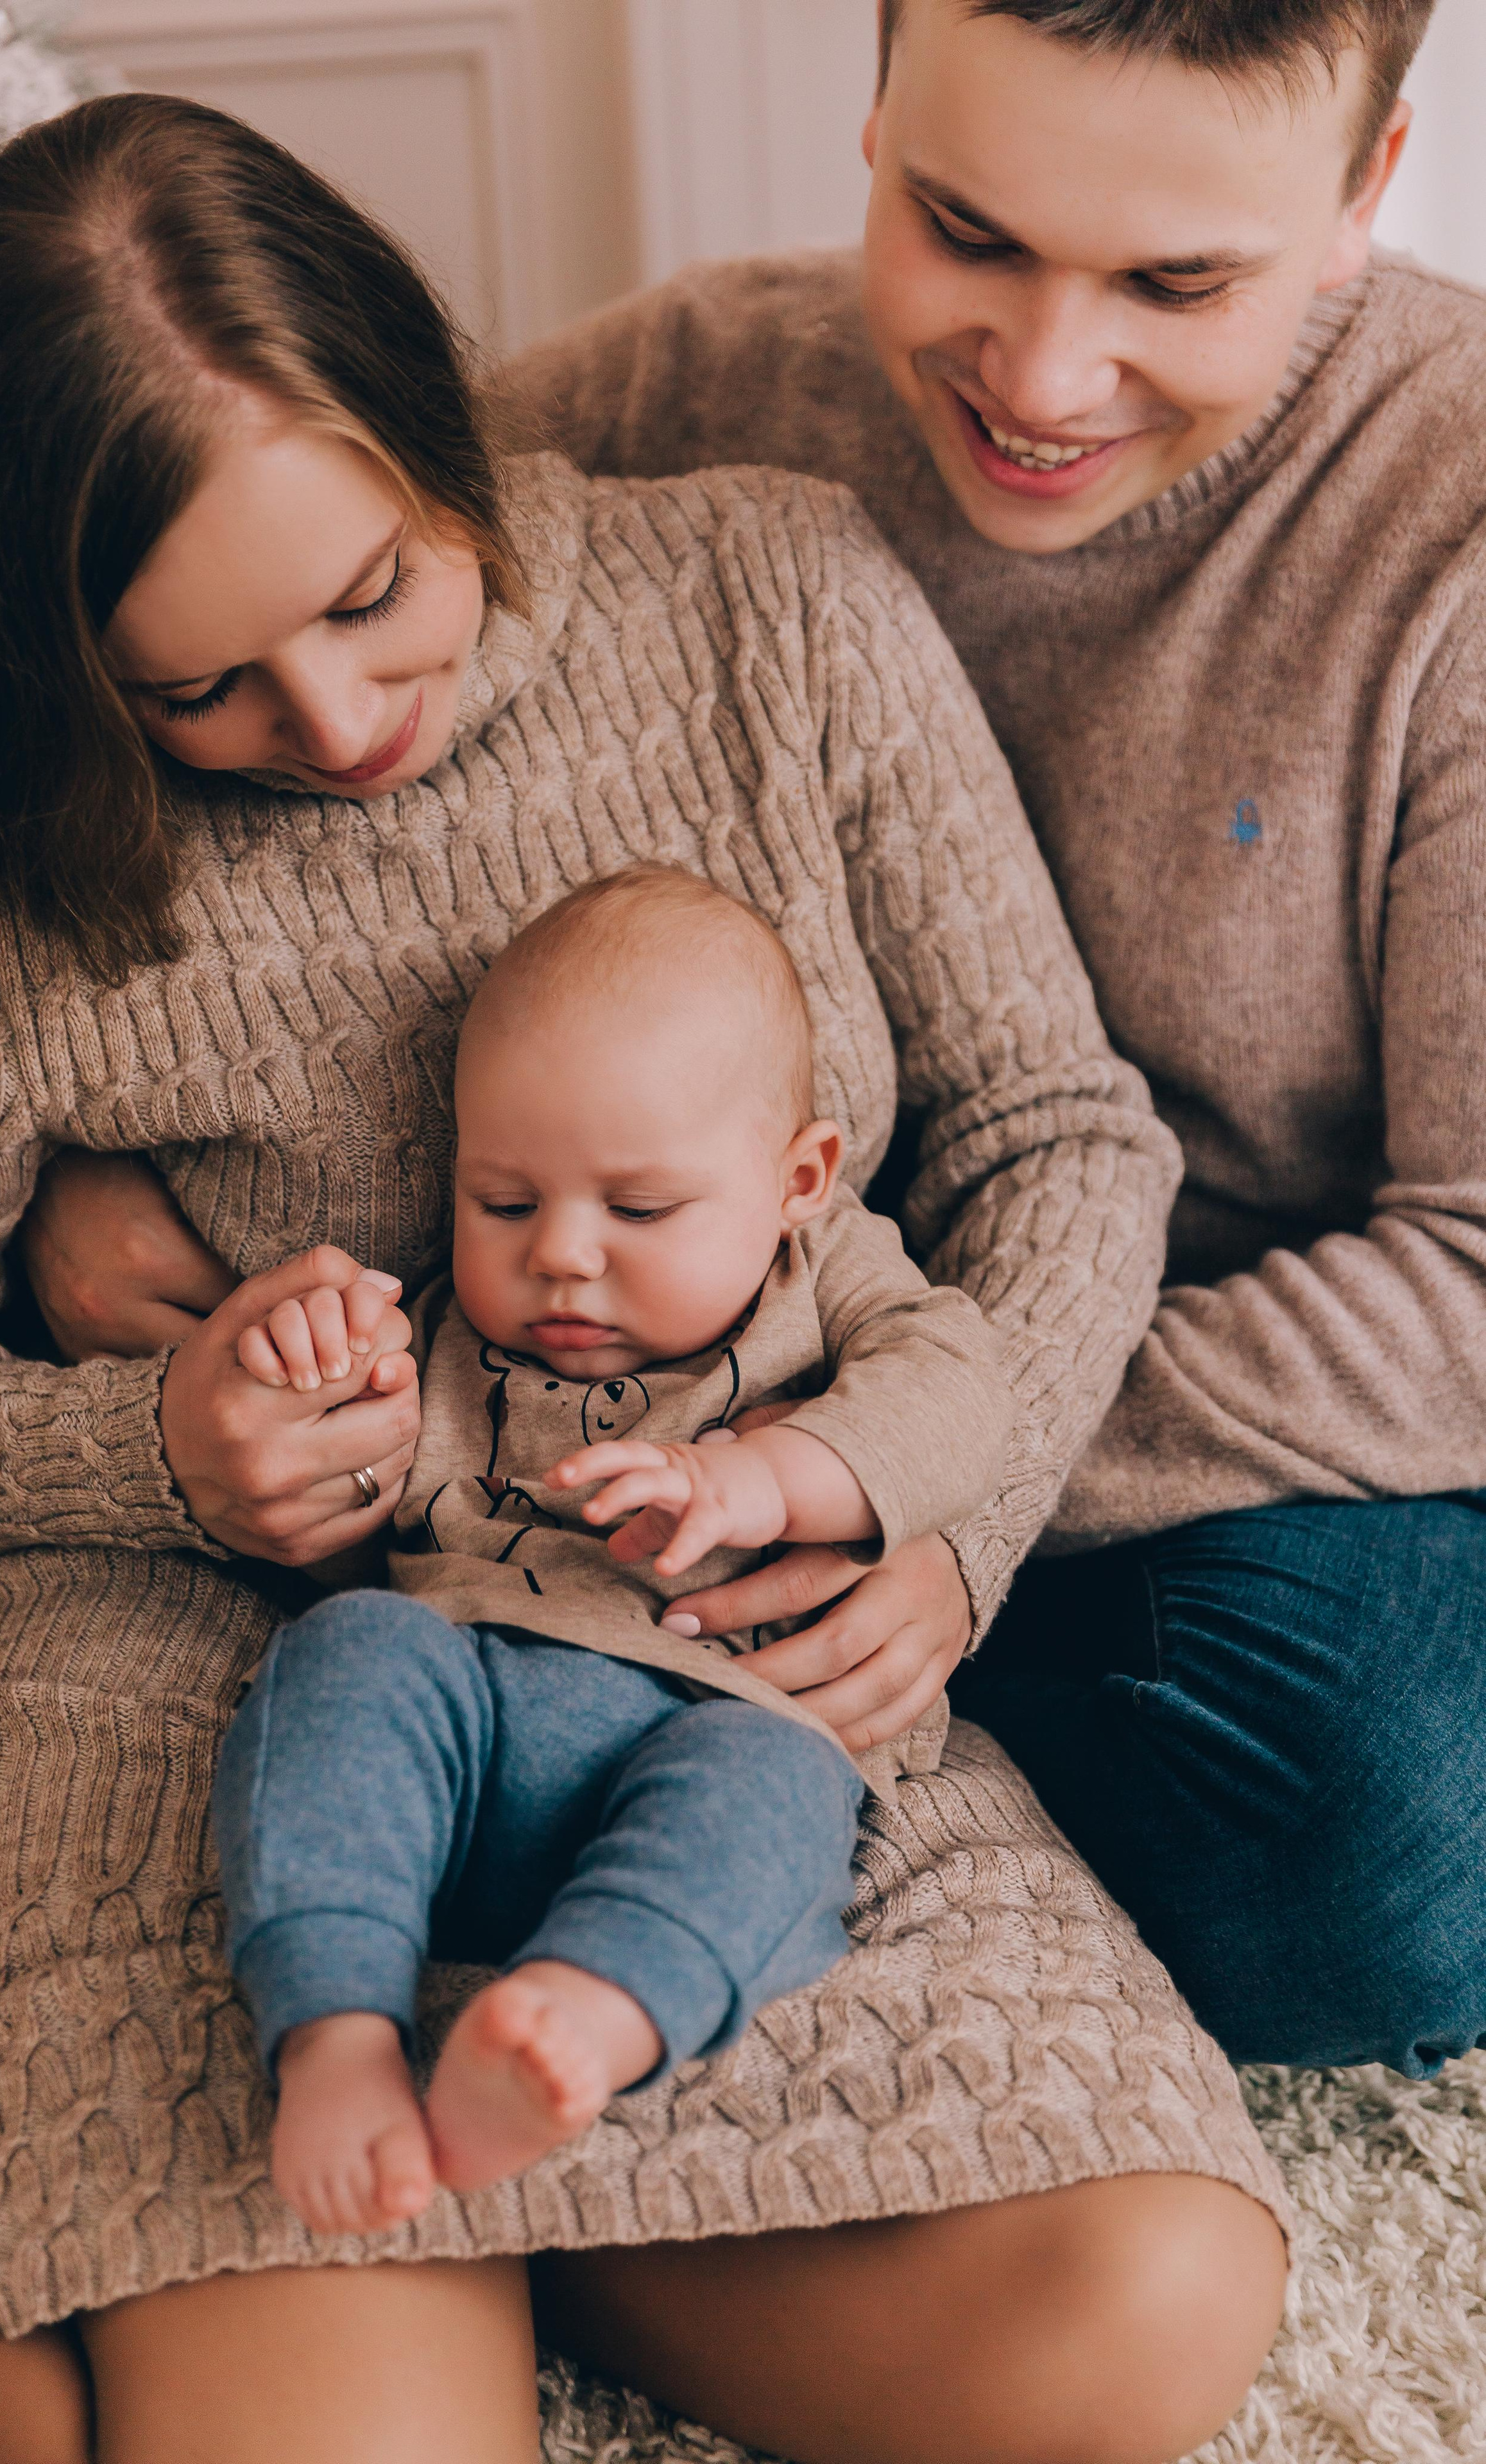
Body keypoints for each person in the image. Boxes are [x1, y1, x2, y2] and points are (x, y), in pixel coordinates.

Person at [0, 89, 1287, 2464]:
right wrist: (158, 1443)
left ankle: (506, 2178)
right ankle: (324, 2204)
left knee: (1142, 2302)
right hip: (213, 1669)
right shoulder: (0, 856)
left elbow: (1059, 1134)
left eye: (370, 593)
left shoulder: (773, 600)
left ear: (440, 431)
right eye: (191, 691)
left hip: (715, 1649)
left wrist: (938, 1521)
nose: (327, 729)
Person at [15, 0, 1486, 2077]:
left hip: (1196, 1440)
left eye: (1177, 282)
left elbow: (1472, 1280)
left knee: (1405, 1835)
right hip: (580, 1382)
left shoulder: (1455, 516)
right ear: (873, 121)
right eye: (967, 230)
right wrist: (56, 1172)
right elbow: (236, 593)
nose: (1047, 376)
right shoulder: (691, 394)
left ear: (1368, 192)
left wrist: (920, 1483)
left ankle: (625, 1852)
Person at [214, 866, 1012, 2232]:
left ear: (795, 1180)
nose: (563, 1259)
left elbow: (964, 1389)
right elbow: (337, 1477)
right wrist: (303, 1372)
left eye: (639, 1212)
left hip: (721, 1713)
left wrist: (765, 1480)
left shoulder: (829, 1277)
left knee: (778, 1793)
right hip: (464, 1713)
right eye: (504, 1204)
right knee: (349, 1653)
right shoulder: (445, 1333)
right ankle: (334, 2032)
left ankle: (580, 2014)